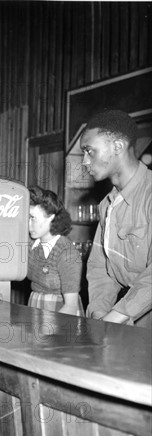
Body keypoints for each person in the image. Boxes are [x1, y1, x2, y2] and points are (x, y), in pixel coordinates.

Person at [80, 109, 152, 327]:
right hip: (126, 315)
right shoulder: (107, 205)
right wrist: (100, 313)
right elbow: (100, 267)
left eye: (89, 151)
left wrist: (117, 316)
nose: (84, 161)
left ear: (118, 147)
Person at [27, 186, 84, 316]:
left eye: (33, 218)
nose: (29, 224)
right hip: (36, 307)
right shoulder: (31, 244)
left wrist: (49, 328)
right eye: (27, 218)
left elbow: (71, 307)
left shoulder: (67, 253)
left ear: (51, 218)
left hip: (61, 314)